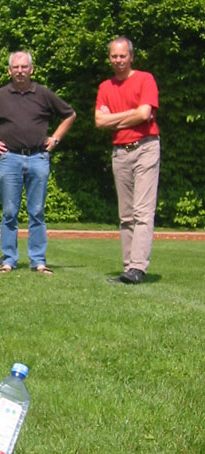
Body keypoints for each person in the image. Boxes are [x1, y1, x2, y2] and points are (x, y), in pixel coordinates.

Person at [0, 51, 76, 274]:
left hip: (38, 157)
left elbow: (70, 115)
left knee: (37, 211)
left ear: (31, 69)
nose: (20, 71)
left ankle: (38, 261)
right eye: (16, 67)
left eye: (24, 67)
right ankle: (9, 260)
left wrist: (56, 138)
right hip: (9, 158)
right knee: (10, 212)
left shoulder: (44, 94)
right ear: (9, 71)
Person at [96, 37, 160, 285]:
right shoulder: (105, 87)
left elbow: (145, 114)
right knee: (125, 215)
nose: (118, 61)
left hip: (146, 147)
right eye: (114, 56)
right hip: (120, 152)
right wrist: (132, 115)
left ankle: (138, 268)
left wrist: (115, 118)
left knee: (143, 211)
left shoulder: (146, 79)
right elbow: (99, 122)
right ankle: (128, 268)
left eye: (122, 56)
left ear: (131, 56)